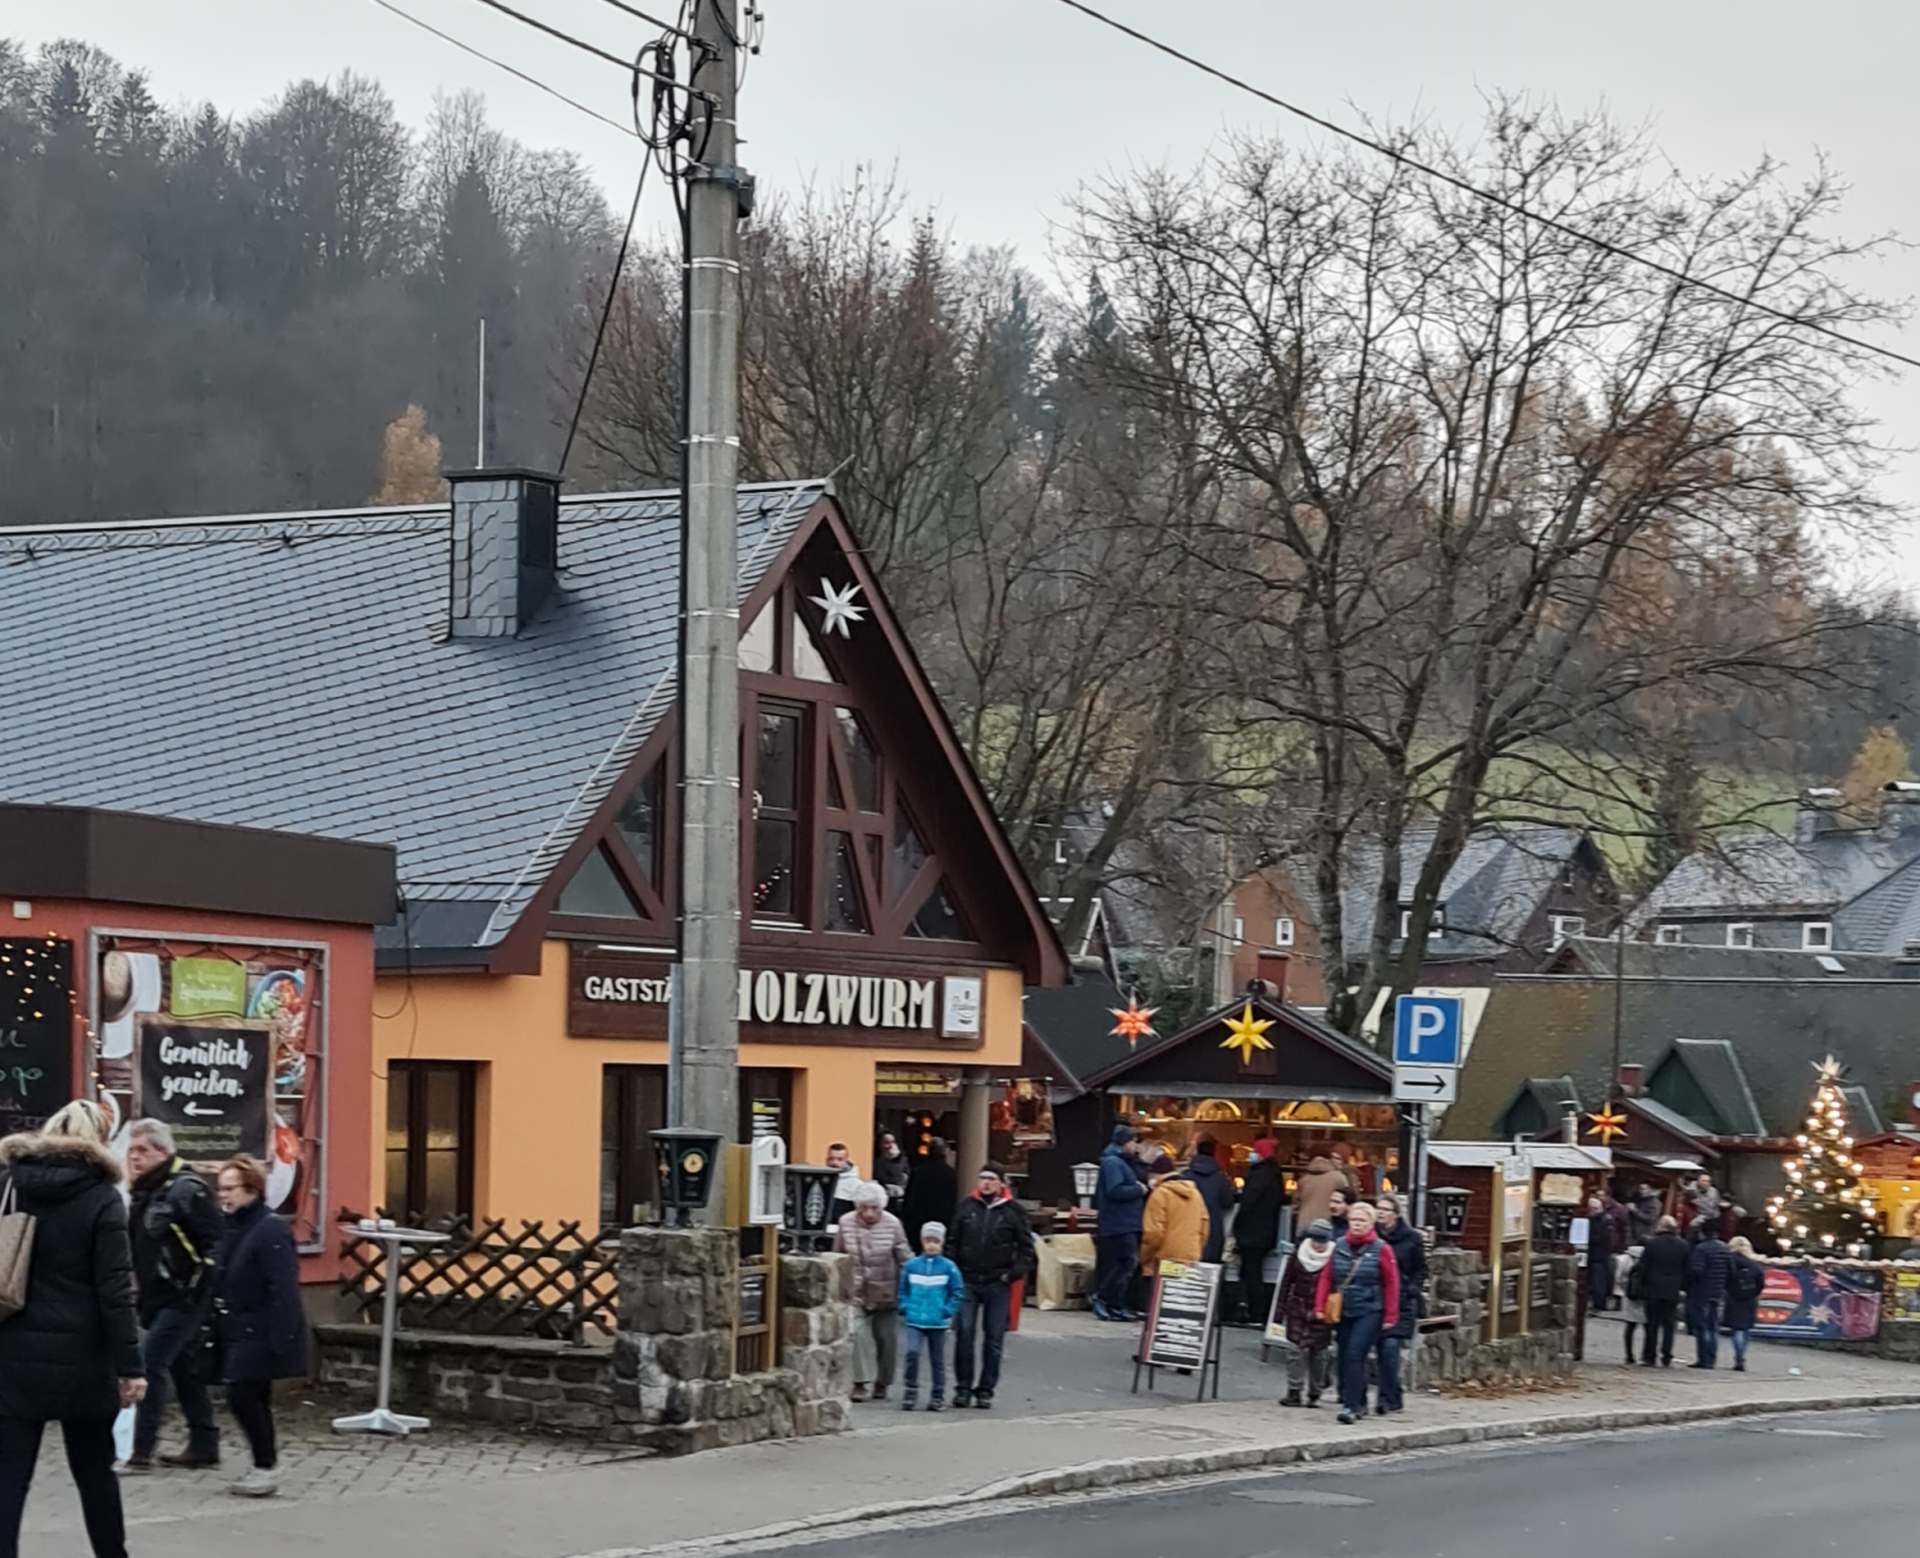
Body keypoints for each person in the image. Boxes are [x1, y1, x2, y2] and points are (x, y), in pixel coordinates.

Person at [0, 1099, 144, 1558]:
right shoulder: (102, 1198)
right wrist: (131, 1366)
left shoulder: (10, 1184)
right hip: (85, 1358)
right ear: (100, 1141)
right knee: (95, 1473)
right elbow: (115, 1291)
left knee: (8, 1477)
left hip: (14, 1352)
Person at [124, 1118, 223, 1471]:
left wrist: (201, 1286)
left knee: (149, 1364)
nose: (134, 1157)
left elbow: (216, 1242)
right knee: (183, 1367)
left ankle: (141, 1452)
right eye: (131, 1149)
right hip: (158, 1294)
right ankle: (204, 1443)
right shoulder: (145, 1189)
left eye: (142, 1150)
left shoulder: (186, 1189)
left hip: (185, 1294)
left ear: (162, 1152)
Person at [211, 1154, 305, 1497]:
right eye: (220, 1189)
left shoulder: (269, 1228)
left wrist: (282, 1337)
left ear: (252, 1189)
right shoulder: (234, 1226)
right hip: (236, 1324)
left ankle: (266, 1465)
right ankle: (263, 1463)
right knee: (249, 1395)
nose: (223, 1196)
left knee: (242, 1394)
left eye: (230, 1189)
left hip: (261, 1327)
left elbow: (283, 1286)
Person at [948, 1162, 1032, 1410]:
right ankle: (963, 1388)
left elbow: (1026, 1248)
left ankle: (985, 1390)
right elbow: (952, 1241)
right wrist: (955, 1272)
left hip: (998, 1282)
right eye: (982, 1178)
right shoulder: (966, 1208)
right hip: (968, 1281)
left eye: (991, 1179)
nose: (986, 1183)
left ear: (1001, 1183)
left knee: (994, 1339)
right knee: (964, 1334)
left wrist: (1012, 1275)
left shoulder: (1013, 1211)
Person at [1314, 1200, 1398, 1425]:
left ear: (1371, 1223)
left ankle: (1350, 1406)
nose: (1357, 1224)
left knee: (1355, 1353)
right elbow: (1326, 1277)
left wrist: (1391, 1315)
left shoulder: (1382, 1249)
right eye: (1354, 1220)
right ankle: (1359, 1401)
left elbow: (1391, 1283)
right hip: (1344, 1308)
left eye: (1362, 1220)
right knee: (1345, 1356)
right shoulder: (1339, 1245)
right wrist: (1320, 1306)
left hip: (1370, 1309)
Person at [834, 1181, 911, 1403]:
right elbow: (837, 1253)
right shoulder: (846, 1222)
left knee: (886, 1338)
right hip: (856, 1288)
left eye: (874, 1208)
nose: (868, 1213)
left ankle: (883, 1382)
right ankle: (860, 1382)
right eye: (864, 1207)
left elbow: (903, 1255)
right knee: (856, 1332)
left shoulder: (893, 1224)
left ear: (882, 1207)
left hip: (885, 1289)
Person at [898, 1222, 965, 1411]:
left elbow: (957, 1291)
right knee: (912, 1352)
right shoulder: (912, 1266)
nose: (932, 1245)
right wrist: (905, 1306)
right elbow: (903, 1289)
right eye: (928, 1241)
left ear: (941, 1243)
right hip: (915, 1319)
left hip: (938, 1321)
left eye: (936, 1241)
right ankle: (910, 1389)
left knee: (938, 1360)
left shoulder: (949, 1267)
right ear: (922, 1241)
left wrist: (947, 1311)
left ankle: (938, 1394)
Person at [1275, 1219, 1336, 1407]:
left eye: (1322, 1241)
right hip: (1298, 1307)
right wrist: (1280, 1309)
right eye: (1316, 1240)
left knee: (1319, 1354)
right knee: (1295, 1350)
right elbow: (1286, 1282)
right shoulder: (1298, 1254)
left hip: (1322, 1311)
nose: (1318, 1245)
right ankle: (1294, 1391)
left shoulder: (1335, 1257)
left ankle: (1314, 1392)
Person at [1373, 1194, 1424, 1416]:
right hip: (1377, 1299)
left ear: (1395, 1213)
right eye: (1378, 1208)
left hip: (1402, 1301)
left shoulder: (1411, 1238)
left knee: (1390, 1348)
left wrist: (1412, 1288)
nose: (1381, 1212)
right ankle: (1394, 1395)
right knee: (1380, 1351)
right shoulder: (1371, 1237)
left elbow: (1421, 1269)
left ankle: (1385, 1398)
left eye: (1385, 1209)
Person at [1091, 1125, 1146, 1322]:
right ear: (1124, 1142)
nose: (1136, 1145)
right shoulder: (1113, 1162)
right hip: (1120, 1222)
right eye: (1133, 1141)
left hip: (1126, 1221)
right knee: (1126, 1262)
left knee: (1126, 1263)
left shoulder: (1121, 1161)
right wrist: (1138, 1189)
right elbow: (1115, 1190)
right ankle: (1103, 1297)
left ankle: (1115, 1304)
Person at [1234, 1138, 1286, 1325]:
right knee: (1253, 1271)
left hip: (1251, 1232)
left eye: (1254, 1150)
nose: (1251, 1154)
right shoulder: (1275, 1174)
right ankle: (1253, 1311)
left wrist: (1237, 1226)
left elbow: (1247, 1203)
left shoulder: (1258, 1175)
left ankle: (1254, 1312)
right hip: (1265, 1232)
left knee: (1251, 1272)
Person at [1139, 1153, 1208, 1276]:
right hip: (1190, 1257)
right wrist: (1196, 1249)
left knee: (1159, 1294)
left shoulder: (1159, 1195)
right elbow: (1204, 1228)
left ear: (1156, 1175)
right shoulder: (1196, 1194)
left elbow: (1153, 1234)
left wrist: (1144, 1257)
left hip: (1163, 1260)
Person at [1637, 1215, 1690, 1367]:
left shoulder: (1652, 1244)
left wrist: (1642, 1286)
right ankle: (1667, 1355)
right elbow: (1687, 1268)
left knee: (1652, 1324)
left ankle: (1649, 1355)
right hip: (1673, 1289)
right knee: (1669, 1324)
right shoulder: (1683, 1245)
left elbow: (1644, 1267)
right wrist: (1682, 1287)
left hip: (1653, 1288)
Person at [1686, 1224, 1732, 1369]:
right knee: (1714, 1326)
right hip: (1718, 1291)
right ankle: (1712, 1358)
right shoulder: (1725, 1248)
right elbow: (1731, 1270)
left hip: (1702, 1292)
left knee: (1703, 1326)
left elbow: (1697, 1271)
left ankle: (1703, 1358)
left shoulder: (1701, 1249)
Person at [1185, 1137, 1237, 1265]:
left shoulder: (1186, 1175)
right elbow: (1227, 1202)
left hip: (1189, 1225)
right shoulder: (1220, 1177)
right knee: (1210, 1266)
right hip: (1213, 1226)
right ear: (1214, 1153)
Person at [901, 1137, 958, 1249]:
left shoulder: (918, 1172)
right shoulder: (950, 1174)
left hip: (918, 1224)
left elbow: (910, 1201)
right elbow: (953, 1200)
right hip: (943, 1222)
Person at [1723, 1236, 1765, 1372]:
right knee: (1745, 1330)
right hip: (1749, 1300)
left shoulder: (1729, 1262)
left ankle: (1739, 1357)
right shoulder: (1754, 1265)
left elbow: (1725, 1280)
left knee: (1736, 1330)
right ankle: (1741, 1356)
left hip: (1734, 1298)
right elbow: (1761, 1284)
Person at [1293, 1150, 1351, 1231]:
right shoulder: (1339, 1178)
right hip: (1328, 1224)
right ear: (1330, 1159)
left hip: (1304, 1223)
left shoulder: (1303, 1179)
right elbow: (1347, 1199)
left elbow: (1296, 1203)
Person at [1585, 1193, 1615, 1314]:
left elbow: (1602, 1238)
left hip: (1599, 1255)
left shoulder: (1604, 1221)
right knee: (1594, 1279)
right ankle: (1595, 1302)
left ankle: (1599, 1303)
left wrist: (1587, 1239)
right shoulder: (1598, 1219)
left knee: (1598, 1280)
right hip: (1595, 1254)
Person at [1618, 1244, 1646, 1364]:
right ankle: (1646, 1355)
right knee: (1648, 1327)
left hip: (1630, 1297)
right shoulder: (1649, 1258)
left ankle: (1629, 1355)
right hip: (1645, 1297)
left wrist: (1625, 1290)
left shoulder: (1625, 1259)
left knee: (1630, 1327)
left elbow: (1619, 1278)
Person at [825, 1143, 862, 1224]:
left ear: (846, 1161)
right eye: (831, 1159)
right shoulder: (820, 1180)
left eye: (840, 1159)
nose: (834, 1163)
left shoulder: (857, 1185)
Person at [1682, 1173, 1720, 1243]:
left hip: (1711, 1220)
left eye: (1708, 1181)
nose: (1706, 1183)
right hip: (1696, 1219)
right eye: (1704, 1181)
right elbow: (1694, 1204)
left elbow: (1716, 1204)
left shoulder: (1713, 1191)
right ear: (1698, 1181)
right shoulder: (1691, 1191)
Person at [873, 1134, 909, 1208]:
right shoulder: (878, 1162)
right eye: (887, 1143)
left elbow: (905, 1176)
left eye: (893, 1142)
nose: (890, 1146)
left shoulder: (904, 1160)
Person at [1629, 1183, 1663, 1247]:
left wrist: (1635, 1210)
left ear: (1650, 1189)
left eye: (1643, 1189)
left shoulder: (1654, 1202)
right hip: (1636, 1233)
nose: (1640, 1191)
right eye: (1639, 1189)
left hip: (1646, 1235)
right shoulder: (1640, 1199)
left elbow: (1650, 1218)